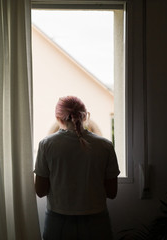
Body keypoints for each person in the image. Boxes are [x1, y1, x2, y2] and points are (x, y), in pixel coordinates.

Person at [34, 96, 120, 240]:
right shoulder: (105, 146)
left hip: (58, 222)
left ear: (58, 118)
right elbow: (112, 192)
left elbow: (40, 191)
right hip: (97, 222)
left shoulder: (46, 145)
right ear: (85, 116)